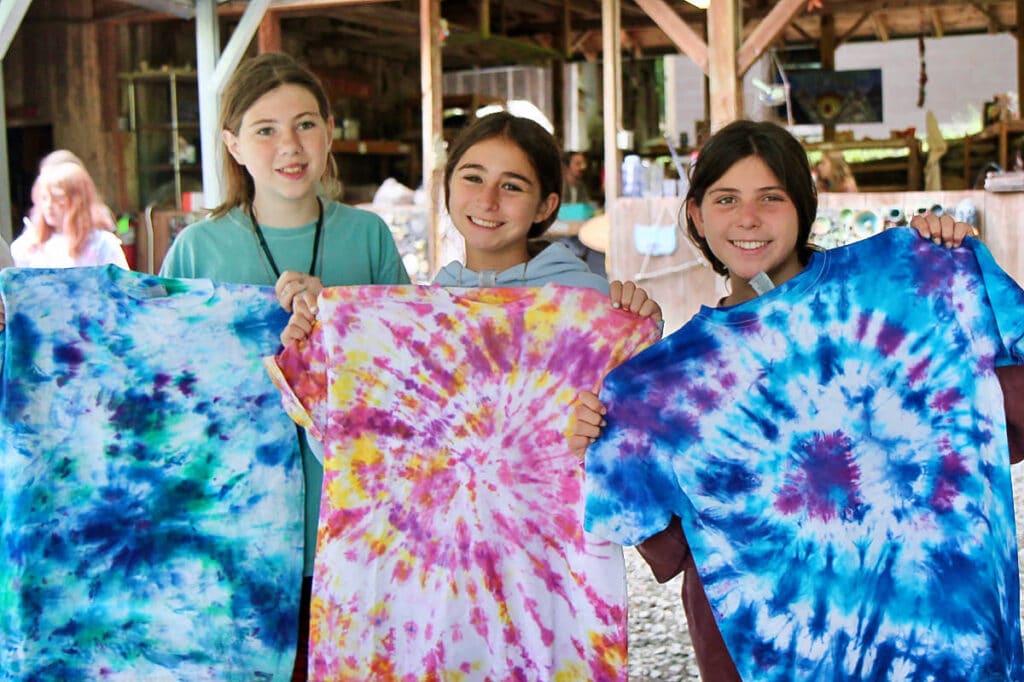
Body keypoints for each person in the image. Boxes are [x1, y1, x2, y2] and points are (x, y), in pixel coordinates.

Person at [574, 120, 1024, 681]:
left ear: (804, 206)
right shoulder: (660, 389)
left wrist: (942, 258)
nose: (748, 218)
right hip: (775, 656)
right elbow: (662, 547)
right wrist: (599, 434)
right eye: (726, 199)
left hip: (944, 647)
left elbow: (1004, 413)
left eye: (772, 198)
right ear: (696, 214)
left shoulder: (912, 278)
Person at [273, 112, 662, 677]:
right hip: (433, 584)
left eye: (513, 185)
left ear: (547, 205)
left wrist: (638, 332)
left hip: (547, 583)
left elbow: (641, 446)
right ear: (447, 188)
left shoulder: (584, 308)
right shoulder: (413, 316)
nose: (489, 199)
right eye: (473, 177)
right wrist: (321, 352)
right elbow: (353, 452)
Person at [157, 51, 410, 682]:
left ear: (329, 130)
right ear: (233, 145)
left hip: (355, 521)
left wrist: (341, 326)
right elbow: (160, 386)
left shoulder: (368, 237)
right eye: (264, 130)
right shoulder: (197, 248)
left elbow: (412, 378)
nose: (288, 146)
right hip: (234, 527)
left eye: (304, 124)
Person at [11, 160, 129, 269]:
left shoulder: (102, 244)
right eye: (44, 198)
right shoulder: (29, 245)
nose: (49, 205)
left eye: (58, 198)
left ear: (78, 201)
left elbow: (123, 287)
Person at [37, 149, 117, 230]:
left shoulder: (99, 218)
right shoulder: (41, 222)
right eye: (44, 197)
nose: (48, 205)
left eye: (58, 196)